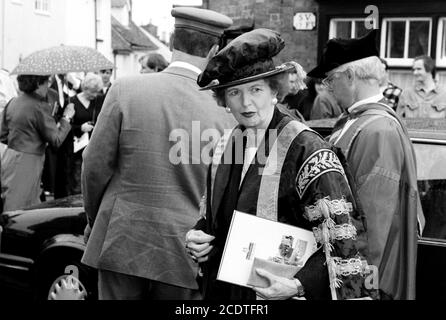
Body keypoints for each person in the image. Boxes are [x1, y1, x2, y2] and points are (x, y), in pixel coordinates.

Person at [186, 28, 375, 301]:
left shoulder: (307, 149)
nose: (246, 102)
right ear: (223, 99)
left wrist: (298, 284)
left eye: (256, 89)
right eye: (234, 92)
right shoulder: (227, 144)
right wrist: (198, 235)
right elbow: (217, 219)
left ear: (274, 89)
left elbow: (344, 239)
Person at [81, 7, 234, 300]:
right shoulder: (225, 111)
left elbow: (94, 165)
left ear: (174, 40)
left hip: (121, 238)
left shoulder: (124, 89)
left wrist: (92, 218)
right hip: (185, 250)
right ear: (214, 50)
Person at [307, 29, 423, 300]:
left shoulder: (377, 130)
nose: (327, 86)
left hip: (360, 282)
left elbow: (372, 223)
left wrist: (357, 289)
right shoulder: (360, 122)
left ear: (350, 76)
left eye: (330, 78)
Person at [0, 74, 74, 211]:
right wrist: (67, 118)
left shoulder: (13, 102)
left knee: (16, 202)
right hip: (28, 162)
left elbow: (2, 134)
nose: (48, 85)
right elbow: (56, 140)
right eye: (47, 82)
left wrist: (26, 139)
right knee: (18, 210)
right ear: (38, 83)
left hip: (9, 158)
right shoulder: (40, 106)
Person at [69, 73, 104, 195]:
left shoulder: (100, 100)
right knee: (78, 180)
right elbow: (66, 125)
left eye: (97, 92)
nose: (95, 95)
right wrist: (80, 128)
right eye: (92, 92)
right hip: (78, 147)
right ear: (84, 88)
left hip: (95, 146)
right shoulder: (72, 101)